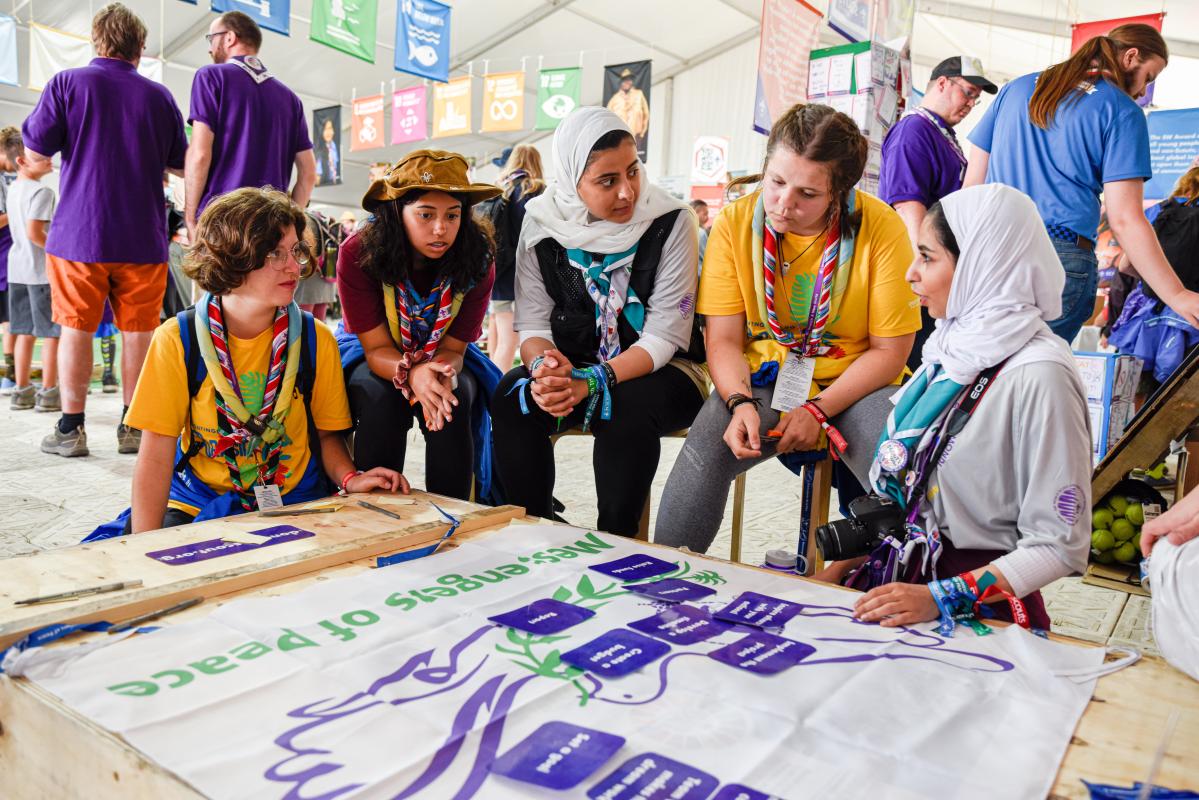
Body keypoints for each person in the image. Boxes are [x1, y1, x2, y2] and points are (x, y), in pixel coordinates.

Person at [655, 103, 920, 555]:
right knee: (708, 444)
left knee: (902, 462)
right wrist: (738, 402)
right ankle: (659, 578)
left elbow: (890, 353)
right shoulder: (736, 223)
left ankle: (897, 586)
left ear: (839, 192)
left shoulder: (881, 227)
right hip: (766, 379)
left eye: (807, 194)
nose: (783, 204)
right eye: (775, 182)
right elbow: (722, 339)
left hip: (859, 384)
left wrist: (818, 409)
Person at [840, 184, 1091, 632]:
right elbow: (914, 497)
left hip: (981, 612)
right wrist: (845, 571)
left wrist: (943, 597)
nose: (910, 274)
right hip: (901, 588)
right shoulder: (950, 352)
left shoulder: (1039, 375)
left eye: (928, 257)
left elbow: (1059, 547)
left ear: (981, 265)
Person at [115, 188, 405, 535]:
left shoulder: (315, 339)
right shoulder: (178, 339)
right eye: (273, 253)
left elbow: (328, 437)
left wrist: (350, 477)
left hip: (298, 498)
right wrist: (144, 548)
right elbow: (156, 456)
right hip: (201, 499)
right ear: (231, 258)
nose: (293, 265)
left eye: (295, 250)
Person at [491, 107, 707, 537]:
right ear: (573, 182)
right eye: (607, 181)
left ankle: (616, 542)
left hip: (665, 371)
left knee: (624, 408)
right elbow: (532, 328)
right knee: (512, 396)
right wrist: (543, 371)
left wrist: (593, 380)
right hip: (573, 366)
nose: (627, 192)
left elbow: (665, 336)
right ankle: (536, 531)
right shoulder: (540, 224)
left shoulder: (672, 221)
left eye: (633, 171)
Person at [22, 2, 188, 458]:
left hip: (80, 232)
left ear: (97, 40)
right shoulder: (159, 97)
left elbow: (37, 147)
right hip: (142, 235)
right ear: (140, 48)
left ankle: (70, 429)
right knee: (140, 332)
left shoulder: (67, 83)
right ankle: (133, 427)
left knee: (76, 327)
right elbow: (180, 161)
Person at [965, 24, 1199, 344]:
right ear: (1131, 57)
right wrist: (1178, 294)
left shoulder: (1016, 88)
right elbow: (1124, 219)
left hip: (991, 249)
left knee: (975, 366)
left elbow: (972, 187)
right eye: (1149, 77)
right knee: (1030, 378)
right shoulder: (1121, 111)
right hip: (1059, 258)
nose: (1144, 92)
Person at [336, 150, 497, 501]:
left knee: (453, 397)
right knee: (379, 395)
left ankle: (453, 515)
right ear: (397, 210)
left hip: (442, 352)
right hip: (372, 351)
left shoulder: (478, 259)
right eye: (425, 214)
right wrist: (410, 372)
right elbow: (376, 348)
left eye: (453, 215)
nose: (441, 229)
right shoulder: (358, 253)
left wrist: (438, 372)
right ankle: (376, 511)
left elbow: (455, 349)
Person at [879, 55, 997, 372]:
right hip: (918, 276)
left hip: (940, 271)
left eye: (976, 98)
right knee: (913, 369)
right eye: (968, 92)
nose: (972, 103)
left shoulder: (943, 134)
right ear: (943, 83)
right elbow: (907, 207)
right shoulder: (914, 130)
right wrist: (924, 268)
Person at [186, 11, 316, 239]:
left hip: (220, 223)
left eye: (211, 38)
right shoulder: (290, 99)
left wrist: (190, 218)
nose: (209, 48)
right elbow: (308, 173)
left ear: (229, 37)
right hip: (270, 229)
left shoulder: (210, 77)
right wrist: (291, 223)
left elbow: (200, 154)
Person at [4, 130, 59, 413]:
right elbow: (35, 233)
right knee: (51, 334)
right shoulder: (42, 191)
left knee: (23, 331)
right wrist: (60, 252)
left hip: (17, 268)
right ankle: (49, 392)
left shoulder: (15, 188)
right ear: (23, 161)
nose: (49, 159)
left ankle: (21, 390)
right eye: (41, 156)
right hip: (39, 272)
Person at [482, 143, 545, 371]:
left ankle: (489, 382)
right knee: (510, 342)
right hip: (521, 278)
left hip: (497, 274)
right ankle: (495, 394)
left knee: (497, 339)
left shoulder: (501, 188)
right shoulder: (536, 191)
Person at [0, 127, 16, 395]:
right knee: (9, 322)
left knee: (12, 322)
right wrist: (17, 212)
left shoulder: (7, 179)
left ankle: (10, 375)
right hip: (3, 261)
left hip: (11, 261)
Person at [606, 68, 650, 157]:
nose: (627, 82)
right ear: (621, 83)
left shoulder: (639, 94)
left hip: (636, 137)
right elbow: (606, 118)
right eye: (624, 80)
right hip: (619, 138)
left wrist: (642, 133)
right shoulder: (615, 98)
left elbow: (646, 113)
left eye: (629, 80)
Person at [315, 118, 340, 187]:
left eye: (330, 128)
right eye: (325, 129)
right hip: (326, 186)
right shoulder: (319, 152)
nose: (328, 132)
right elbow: (317, 178)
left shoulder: (336, 146)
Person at [689, 198, 711, 269]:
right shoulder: (700, 233)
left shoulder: (684, 230)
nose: (707, 217)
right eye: (705, 214)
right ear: (695, 213)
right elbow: (707, 257)